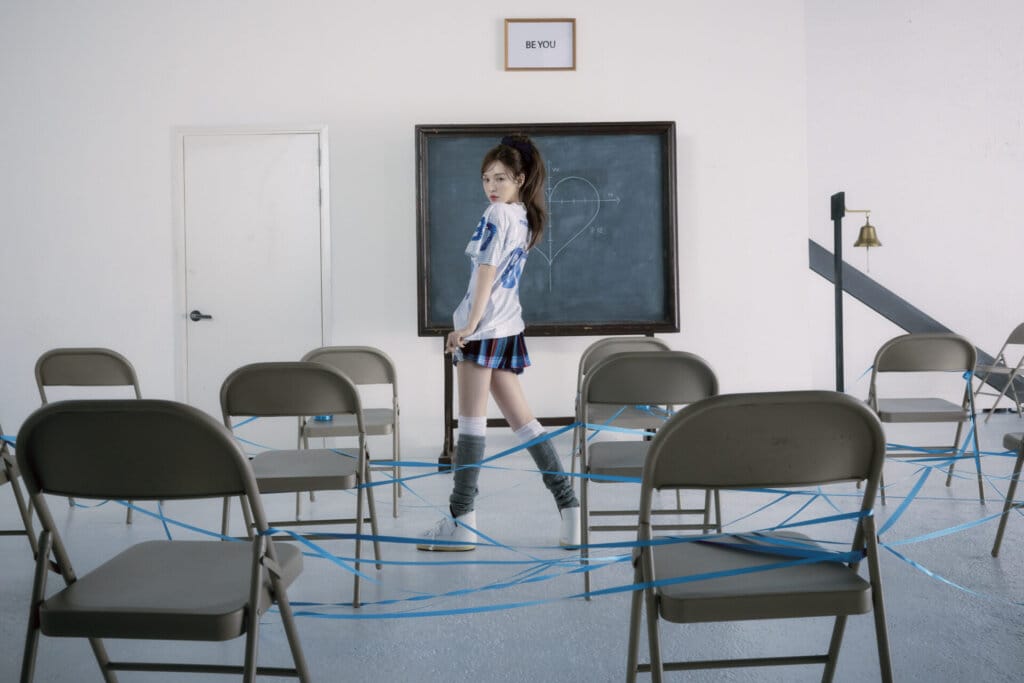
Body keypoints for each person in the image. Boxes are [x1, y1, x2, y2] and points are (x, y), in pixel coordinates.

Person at [418, 134, 580, 552]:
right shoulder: (524, 215)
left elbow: (486, 271)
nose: (492, 186)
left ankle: (461, 522)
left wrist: (468, 326)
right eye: (487, 178)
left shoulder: (497, 214)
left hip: (486, 328)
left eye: (502, 178)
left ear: (521, 179)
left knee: (470, 425)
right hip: (508, 325)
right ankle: (571, 511)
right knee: (526, 425)